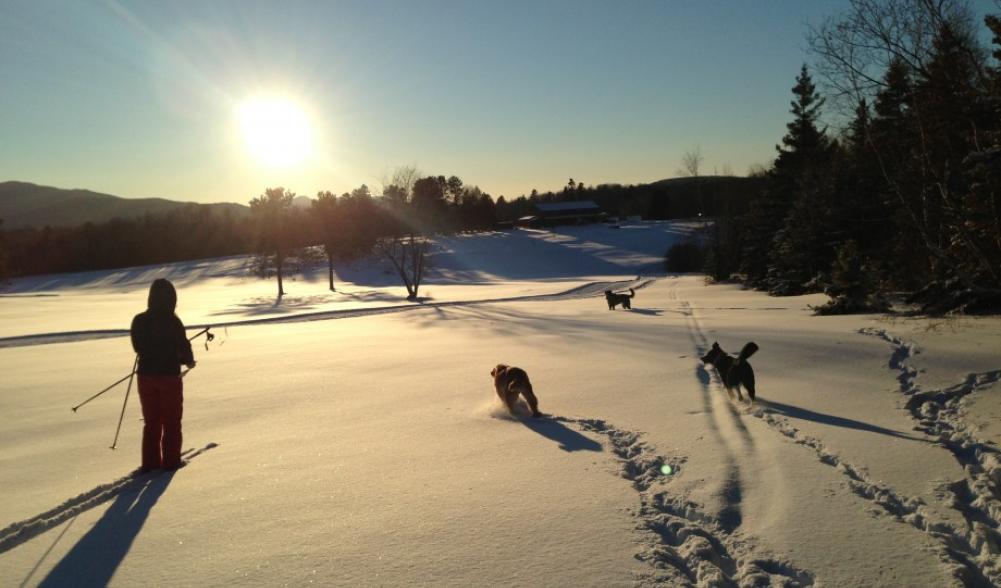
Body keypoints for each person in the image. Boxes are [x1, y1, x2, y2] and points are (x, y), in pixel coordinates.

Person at [130, 279, 195, 471]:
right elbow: (184, 346)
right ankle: (171, 462)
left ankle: (150, 463)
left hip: (145, 377)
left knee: (152, 422)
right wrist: (188, 361)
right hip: (168, 377)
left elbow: (137, 347)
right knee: (171, 421)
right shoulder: (173, 321)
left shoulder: (139, 320)